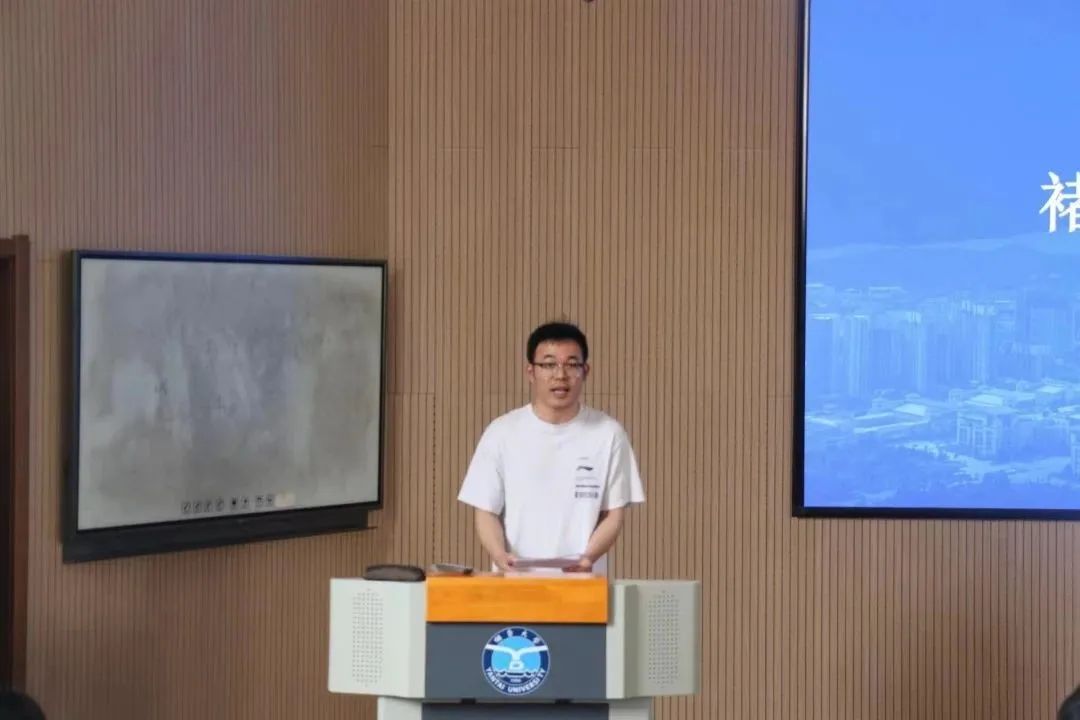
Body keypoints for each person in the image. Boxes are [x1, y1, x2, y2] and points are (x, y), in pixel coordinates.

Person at [457, 321, 645, 574]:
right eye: (548, 365)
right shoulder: (501, 432)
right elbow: (485, 510)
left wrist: (588, 557)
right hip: (514, 583)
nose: (560, 375)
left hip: (583, 584)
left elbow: (614, 513)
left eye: (572, 364)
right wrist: (499, 555)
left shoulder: (609, 433)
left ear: (585, 371)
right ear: (531, 372)